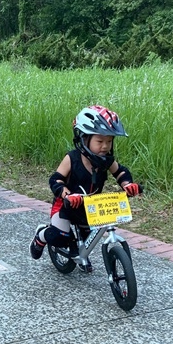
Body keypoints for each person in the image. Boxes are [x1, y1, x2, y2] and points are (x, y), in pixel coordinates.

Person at [29, 106, 143, 270]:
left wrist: (128, 185)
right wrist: (67, 195)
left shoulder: (106, 160)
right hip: (66, 205)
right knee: (59, 236)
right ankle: (41, 235)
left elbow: (120, 172)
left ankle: (81, 254)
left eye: (109, 141)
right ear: (84, 139)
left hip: (90, 206)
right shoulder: (72, 158)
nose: (105, 146)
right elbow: (56, 180)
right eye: (100, 141)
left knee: (90, 235)